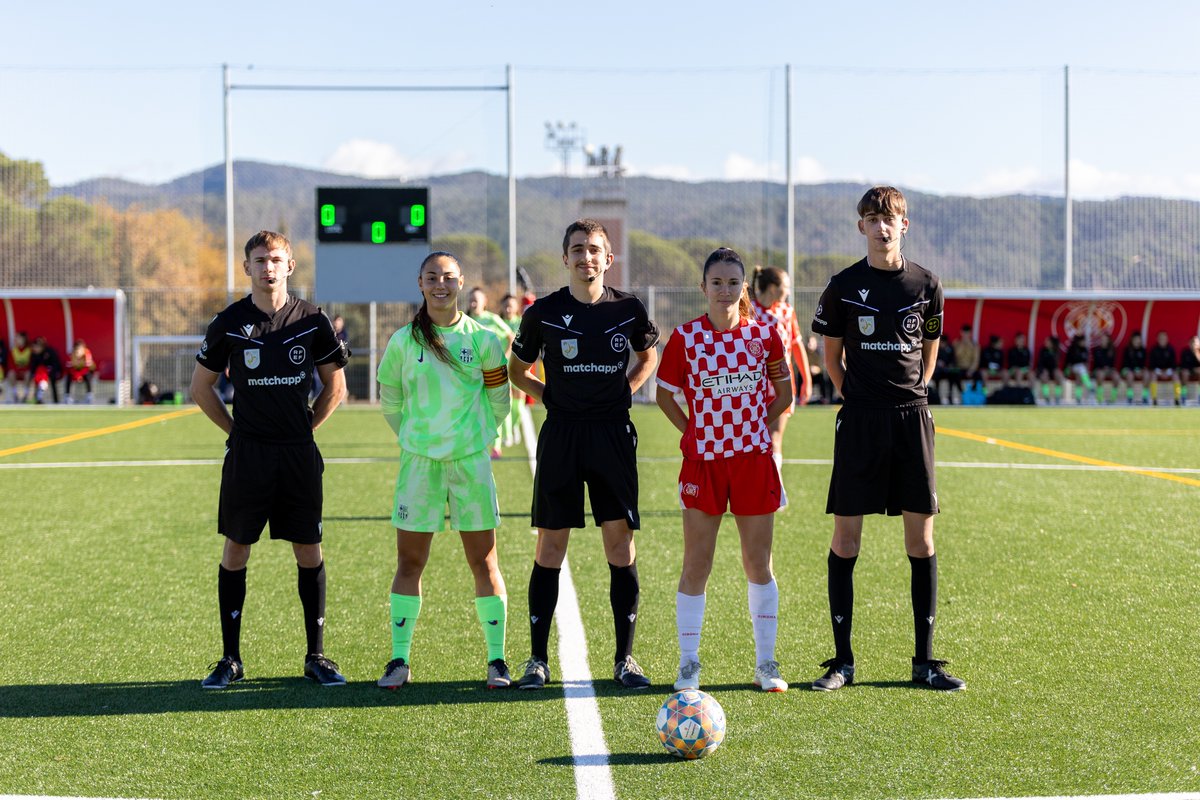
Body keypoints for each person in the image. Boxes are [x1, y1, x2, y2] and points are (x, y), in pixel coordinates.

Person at [809, 186, 965, 692]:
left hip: (911, 419)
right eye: (873, 219)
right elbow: (832, 358)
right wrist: (853, 394)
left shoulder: (927, 284)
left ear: (905, 225)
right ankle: (842, 662)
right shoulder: (843, 286)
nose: (881, 227)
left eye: (890, 218)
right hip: (860, 421)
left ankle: (924, 663)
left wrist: (913, 391)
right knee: (846, 538)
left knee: (920, 540)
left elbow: (930, 349)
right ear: (861, 227)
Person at [191, 230, 350, 690]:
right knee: (237, 548)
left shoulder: (313, 320)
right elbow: (200, 389)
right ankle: (230, 658)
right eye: (259, 260)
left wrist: (304, 432)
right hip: (249, 455)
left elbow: (335, 388)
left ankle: (316, 656)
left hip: (297, 455)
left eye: (275, 259)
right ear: (247, 268)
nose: (267, 267)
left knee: (309, 548)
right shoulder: (228, 322)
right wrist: (237, 432)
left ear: (290, 266)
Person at [508, 218, 660, 690]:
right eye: (578, 249)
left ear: (608, 259)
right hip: (563, 436)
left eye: (595, 249)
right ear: (565, 258)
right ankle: (536, 660)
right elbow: (517, 370)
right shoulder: (543, 312)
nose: (586, 257)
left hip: (612, 434)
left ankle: (625, 659)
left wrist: (626, 390)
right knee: (550, 545)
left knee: (620, 544)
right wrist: (549, 395)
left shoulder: (629, 309)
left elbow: (648, 356)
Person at [656, 248, 794, 693]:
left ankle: (766, 663)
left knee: (759, 564)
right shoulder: (684, 338)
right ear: (703, 288)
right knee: (697, 563)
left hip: (753, 462)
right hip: (704, 464)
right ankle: (688, 664)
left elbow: (785, 391)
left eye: (733, 283)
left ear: (744, 288)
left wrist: (756, 423)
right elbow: (665, 396)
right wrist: (691, 431)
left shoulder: (765, 333)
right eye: (716, 283)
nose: (725, 290)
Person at [375, 252, 514, 690]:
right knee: (410, 560)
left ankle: (497, 661)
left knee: (484, 560)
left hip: (470, 463)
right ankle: (399, 659)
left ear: (461, 283)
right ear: (420, 283)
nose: (440, 284)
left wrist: (478, 437)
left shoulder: (485, 339)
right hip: (419, 464)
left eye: (448, 277)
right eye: (432, 276)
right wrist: (416, 438)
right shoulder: (403, 341)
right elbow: (391, 403)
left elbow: (499, 400)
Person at [751, 266, 813, 496]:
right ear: (773, 287)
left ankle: (774, 490)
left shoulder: (787, 312)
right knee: (754, 440)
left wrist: (806, 379)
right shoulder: (749, 311)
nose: (788, 291)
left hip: (781, 385)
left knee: (774, 437)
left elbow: (797, 346)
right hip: (751, 385)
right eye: (786, 286)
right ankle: (754, 488)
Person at [466, 287, 516, 458]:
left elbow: (511, 337)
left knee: (496, 408)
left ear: (484, 302)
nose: (473, 303)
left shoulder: (493, 320)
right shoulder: (464, 321)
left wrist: (504, 357)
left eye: (476, 300)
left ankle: (496, 446)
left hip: (493, 371)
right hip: (473, 373)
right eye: (471, 300)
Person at [498, 293, 526, 446]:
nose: (508, 308)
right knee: (505, 401)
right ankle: (507, 434)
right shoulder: (497, 322)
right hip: (502, 368)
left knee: (518, 405)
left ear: (516, 307)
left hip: (518, 368)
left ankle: (514, 427)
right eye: (506, 305)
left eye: (511, 305)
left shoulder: (522, 322)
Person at [28, 336, 63, 404]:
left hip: (52, 372)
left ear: (42, 346)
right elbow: (33, 368)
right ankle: (37, 399)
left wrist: (51, 373)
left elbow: (56, 365)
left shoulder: (50, 352)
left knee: (52, 380)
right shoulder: (34, 354)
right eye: (35, 346)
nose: (35, 348)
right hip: (40, 376)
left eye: (37, 346)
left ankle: (55, 401)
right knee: (36, 378)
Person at [62, 338, 97, 404]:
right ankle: (67, 397)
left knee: (88, 376)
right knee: (68, 377)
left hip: (84, 374)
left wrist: (83, 365)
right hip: (74, 374)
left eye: (80, 349)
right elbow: (68, 368)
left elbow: (91, 368)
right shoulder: (71, 356)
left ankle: (89, 396)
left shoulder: (87, 354)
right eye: (77, 350)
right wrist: (76, 375)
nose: (78, 351)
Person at [1148, 330, 1177, 406]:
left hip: (1168, 371)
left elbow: (1173, 365)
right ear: (1157, 339)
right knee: (1153, 375)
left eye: (1164, 338)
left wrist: (1167, 372)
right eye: (1160, 338)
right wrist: (1160, 372)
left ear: (1167, 339)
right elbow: (1151, 365)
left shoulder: (1171, 349)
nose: (1162, 339)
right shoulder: (1154, 350)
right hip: (1157, 371)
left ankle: (1177, 399)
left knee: (1176, 376)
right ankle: (1154, 399)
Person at [1120, 331, 1149, 404]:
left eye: (1138, 339)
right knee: (1130, 374)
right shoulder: (1127, 350)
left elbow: (1142, 364)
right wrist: (1135, 371)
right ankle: (1130, 396)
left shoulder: (1143, 350)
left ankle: (1145, 396)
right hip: (1126, 370)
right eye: (1135, 339)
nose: (1137, 341)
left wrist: (1140, 370)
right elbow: (1126, 364)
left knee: (1146, 374)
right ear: (1132, 340)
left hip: (1138, 370)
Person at [1064, 334, 1093, 403]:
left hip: (1081, 371)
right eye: (1083, 341)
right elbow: (1068, 362)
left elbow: (1085, 362)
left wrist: (1087, 370)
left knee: (1079, 375)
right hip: (1071, 368)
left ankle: (1078, 397)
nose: (1084, 343)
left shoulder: (1085, 350)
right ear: (1079, 341)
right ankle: (1089, 385)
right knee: (1080, 367)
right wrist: (1068, 370)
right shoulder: (1072, 349)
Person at [1034, 335, 1063, 404]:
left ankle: (1057, 396)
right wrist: (1042, 370)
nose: (1046, 342)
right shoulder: (1043, 350)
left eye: (1048, 341)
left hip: (1052, 371)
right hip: (1043, 370)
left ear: (1052, 343)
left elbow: (1054, 365)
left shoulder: (1056, 351)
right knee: (1045, 375)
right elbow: (1040, 363)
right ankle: (1046, 396)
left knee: (1058, 374)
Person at [1090, 333, 1119, 404]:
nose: (1103, 341)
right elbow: (1097, 362)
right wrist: (1104, 367)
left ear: (1108, 340)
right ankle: (1100, 398)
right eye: (1102, 339)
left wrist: (1109, 368)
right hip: (1098, 369)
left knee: (1116, 377)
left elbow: (1112, 362)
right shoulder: (1097, 350)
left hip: (1109, 369)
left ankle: (1113, 398)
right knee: (1101, 375)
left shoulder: (1112, 350)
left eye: (1105, 339)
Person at [7, 332, 31, 403]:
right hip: (16, 372)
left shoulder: (29, 350)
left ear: (24, 339)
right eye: (16, 338)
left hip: (25, 372)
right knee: (11, 373)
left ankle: (25, 395)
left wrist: (23, 369)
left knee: (28, 374)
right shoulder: (13, 351)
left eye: (19, 338)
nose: (17, 340)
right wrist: (18, 370)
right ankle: (15, 394)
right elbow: (11, 365)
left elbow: (30, 364)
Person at [1179, 335, 1200, 405]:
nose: (1194, 344)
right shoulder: (1185, 352)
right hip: (1187, 371)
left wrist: (1197, 353)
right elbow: (1183, 366)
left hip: (1196, 371)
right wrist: (1192, 369)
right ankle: (1183, 395)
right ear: (1189, 343)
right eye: (1192, 342)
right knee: (1185, 373)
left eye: (1196, 343)